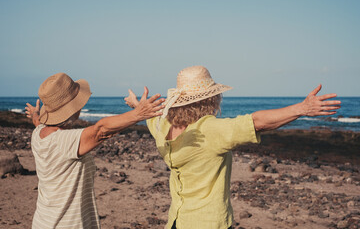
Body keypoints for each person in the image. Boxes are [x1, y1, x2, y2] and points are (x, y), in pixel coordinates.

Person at [124, 65, 341, 229]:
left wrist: (137, 105)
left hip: (176, 221)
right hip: (209, 223)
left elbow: (151, 119)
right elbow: (256, 122)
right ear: (210, 99)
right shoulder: (209, 130)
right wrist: (301, 109)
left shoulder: (163, 126)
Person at [25, 72, 164, 229]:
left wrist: (35, 114)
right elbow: (100, 130)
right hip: (67, 224)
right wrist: (138, 113)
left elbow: (38, 122)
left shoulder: (39, 133)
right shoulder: (63, 141)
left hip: (43, 221)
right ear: (72, 108)